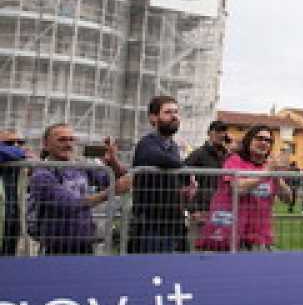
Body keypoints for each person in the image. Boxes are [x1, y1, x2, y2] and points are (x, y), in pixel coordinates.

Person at [28, 124, 130, 255]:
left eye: (71, 139)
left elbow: (114, 179)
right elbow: (68, 203)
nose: (68, 144)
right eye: (62, 140)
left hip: (85, 242)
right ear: (46, 144)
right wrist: (110, 192)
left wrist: (113, 160)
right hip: (56, 246)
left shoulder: (79, 165)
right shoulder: (41, 174)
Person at [197, 125, 292, 251]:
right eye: (259, 138)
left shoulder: (269, 167)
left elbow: (288, 199)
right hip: (230, 234)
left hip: (259, 236)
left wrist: (276, 176)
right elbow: (237, 188)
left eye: (268, 140)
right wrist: (266, 173)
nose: (263, 142)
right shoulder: (234, 161)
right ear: (249, 141)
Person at [129, 95, 192, 254]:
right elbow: (156, 157)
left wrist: (187, 186)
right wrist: (186, 170)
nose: (174, 116)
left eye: (176, 112)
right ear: (153, 118)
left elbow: (177, 175)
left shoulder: (174, 147)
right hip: (151, 226)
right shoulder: (147, 143)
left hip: (174, 224)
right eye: (168, 112)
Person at [183, 120, 231, 246]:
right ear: (209, 133)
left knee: (221, 250)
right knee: (197, 250)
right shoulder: (198, 154)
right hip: (202, 211)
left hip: (223, 211)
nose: (221, 135)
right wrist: (192, 209)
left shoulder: (228, 155)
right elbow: (182, 177)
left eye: (224, 132)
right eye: (218, 131)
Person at [0, 131, 31, 256]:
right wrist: (23, 153)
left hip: (13, 226)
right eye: (9, 143)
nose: (16, 145)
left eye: (20, 142)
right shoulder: (19, 158)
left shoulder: (20, 168)